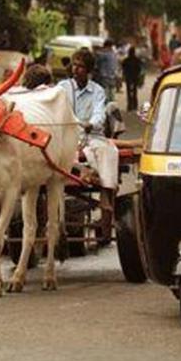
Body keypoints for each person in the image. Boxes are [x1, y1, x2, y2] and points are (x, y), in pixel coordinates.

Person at [57, 48, 119, 240]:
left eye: (81, 67)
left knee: (109, 151)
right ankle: (85, 173)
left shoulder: (98, 91)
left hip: (92, 135)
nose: (76, 70)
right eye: (74, 65)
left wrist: (91, 124)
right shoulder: (62, 88)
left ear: (89, 70)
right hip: (67, 135)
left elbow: (100, 113)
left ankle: (106, 195)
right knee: (60, 154)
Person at [121, 47, 143, 111]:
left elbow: (123, 68)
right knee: (134, 91)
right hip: (135, 78)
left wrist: (124, 75)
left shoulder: (126, 60)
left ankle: (129, 105)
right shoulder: (137, 60)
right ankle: (135, 105)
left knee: (128, 91)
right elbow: (140, 68)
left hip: (128, 78)